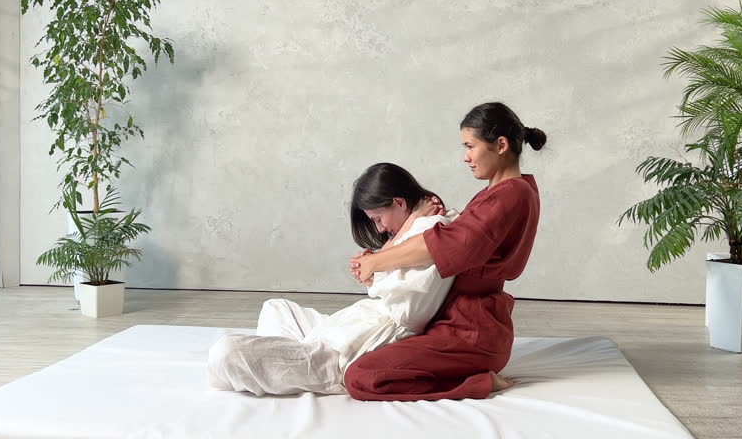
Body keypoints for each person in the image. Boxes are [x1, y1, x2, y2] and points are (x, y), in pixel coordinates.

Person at [346, 102, 545, 401]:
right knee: (354, 359)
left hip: (471, 333)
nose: (465, 157)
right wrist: (378, 260)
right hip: (456, 324)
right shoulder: (497, 193)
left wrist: (376, 261)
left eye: (470, 146)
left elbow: (446, 244)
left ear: (500, 145)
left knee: (360, 378)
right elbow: (443, 237)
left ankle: (478, 383)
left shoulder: (512, 194)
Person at [206, 163, 455, 396]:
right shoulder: (413, 227)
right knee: (275, 307)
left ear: (399, 202)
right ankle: (288, 357)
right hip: (348, 324)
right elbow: (391, 274)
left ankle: (293, 361)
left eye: (378, 219)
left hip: (356, 346)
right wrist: (376, 270)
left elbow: (408, 308)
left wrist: (374, 272)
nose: (379, 229)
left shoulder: (432, 228)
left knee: (226, 353)